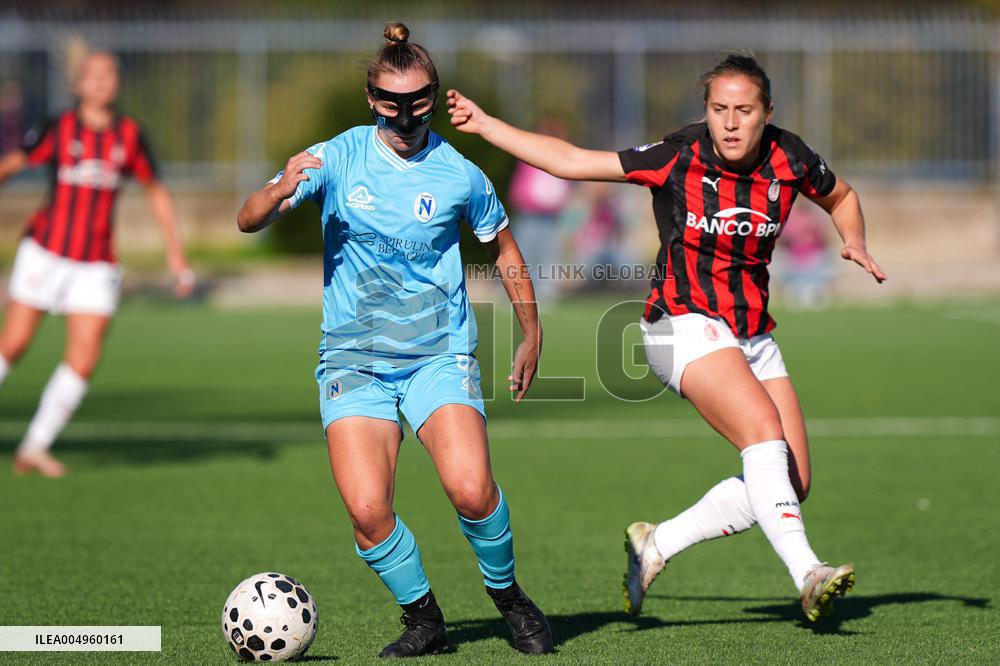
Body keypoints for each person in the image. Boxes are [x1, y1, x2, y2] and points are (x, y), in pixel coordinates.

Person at [448, 54, 886, 622]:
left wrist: (853, 239)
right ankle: (808, 572)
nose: (730, 122)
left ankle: (657, 543)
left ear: (767, 113)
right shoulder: (679, 155)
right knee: (763, 435)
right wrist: (487, 126)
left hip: (753, 335)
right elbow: (573, 161)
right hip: (679, 325)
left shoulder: (790, 156)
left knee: (791, 481)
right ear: (706, 111)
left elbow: (842, 195)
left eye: (744, 111)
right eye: (719, 109)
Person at [237, 23, 554, 658]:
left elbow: (505, 248)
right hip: (354, 360)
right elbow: (249, 219)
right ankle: (425, 620)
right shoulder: (336, 157)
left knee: (470, 488)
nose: (406, 116)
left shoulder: (460, 173)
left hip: (438, 353)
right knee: (366, 510)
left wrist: (530, 329)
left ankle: (510, 597)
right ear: (370, 97)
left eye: (418, 102)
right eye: (391, 102)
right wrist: (279, 186)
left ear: (434, 96)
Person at [0, 50, 194, 478]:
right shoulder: (59, 126)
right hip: (46, 251)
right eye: (94, 74)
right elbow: (14, 163)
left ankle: (34, 447)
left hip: (96, 263)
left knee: (83, 358)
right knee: (12, 345)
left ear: (118, 83)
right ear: (79, 84)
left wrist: (175, 254)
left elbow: (156, 191)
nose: (102, 80)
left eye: (109, 73)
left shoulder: (130, 134)